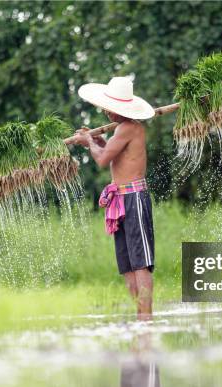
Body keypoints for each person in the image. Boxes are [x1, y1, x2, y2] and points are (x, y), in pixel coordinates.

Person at [67, 76, 156, 318]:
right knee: (127, 264)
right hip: (121, 201)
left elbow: (103, 159)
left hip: (135, 199)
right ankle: (140, 314)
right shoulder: (121, 130)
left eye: (109, 108)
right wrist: (97, 141)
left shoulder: (130, 128)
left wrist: (88, 142)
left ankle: (146, 317)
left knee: (140, 262)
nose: (105, 112)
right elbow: (113, 152)